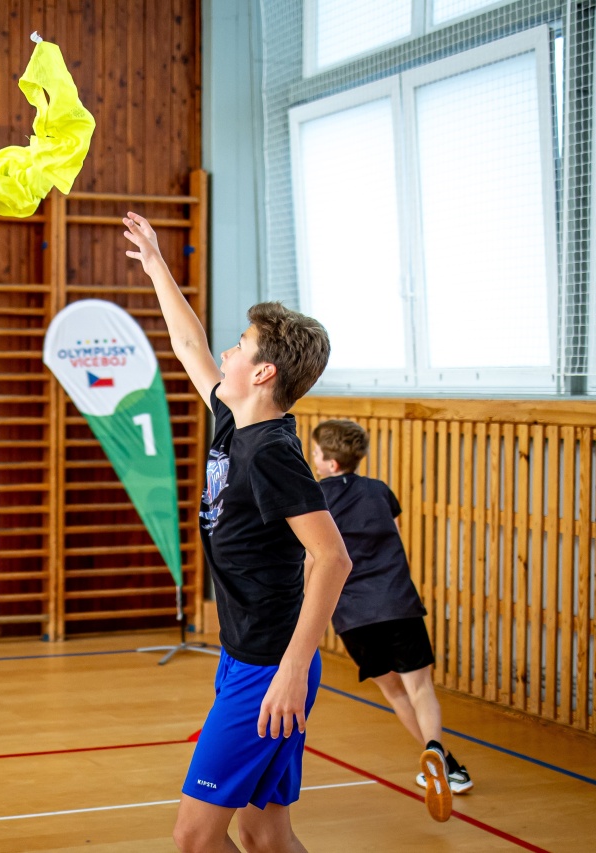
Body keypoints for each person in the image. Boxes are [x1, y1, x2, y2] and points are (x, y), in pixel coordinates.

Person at [123, 212, 352, 853]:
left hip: (270, 666)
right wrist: (156, 264)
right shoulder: (233, 420)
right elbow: (188, 345)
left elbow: (332, 559)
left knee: (194, 839)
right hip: (243, 654)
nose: (226, 352)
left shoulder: (273, 453)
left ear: (262, 373)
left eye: (240, 344)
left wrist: (293, 669)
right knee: (264, 833)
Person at [308, 418, 472, 823]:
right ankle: (437, 753)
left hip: (354, 616)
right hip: (399, 603)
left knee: (395, 693)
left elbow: (314, 557)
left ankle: (445, 763)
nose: (312, 458)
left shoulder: (315, 498)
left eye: (315, 453)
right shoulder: (379, 490)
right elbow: (394, 535)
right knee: (420, 688)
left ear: (330, 463)